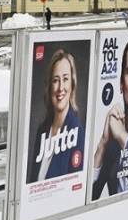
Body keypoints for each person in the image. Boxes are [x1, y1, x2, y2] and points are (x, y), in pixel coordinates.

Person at [92, 34, 128, 199]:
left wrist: (123, 137)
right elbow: (90, 194)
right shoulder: (114, 131)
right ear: (121, 83)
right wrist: (103, 143)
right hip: (119, 217)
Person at [27, 48, 85, 183]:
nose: (60, 88)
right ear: (49, 86)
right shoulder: (43, 130)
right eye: (55, 80)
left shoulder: (76, 131)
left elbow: (75, 185)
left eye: (65, 79)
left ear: (72, 84)